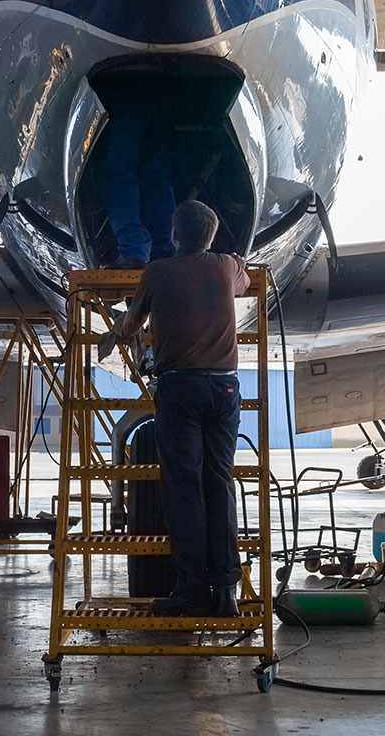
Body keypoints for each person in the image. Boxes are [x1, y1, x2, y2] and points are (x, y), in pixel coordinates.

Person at [101, 200, 249, 617]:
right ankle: (225, 593)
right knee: (218, 484)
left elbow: (131, 324)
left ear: (173, 233)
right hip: (223, 389)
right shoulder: (224, 266)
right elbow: (243, 277)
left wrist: (117, 332)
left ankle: (190, 590)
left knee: (184, 489)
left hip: (179, 388)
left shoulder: (157, 272)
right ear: (211, 235)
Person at [97, 91, 177, 267]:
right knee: (154, 177)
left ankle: (135, 250)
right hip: (168, 82)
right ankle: (170, 252)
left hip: (133, 81)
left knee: (120, 170)